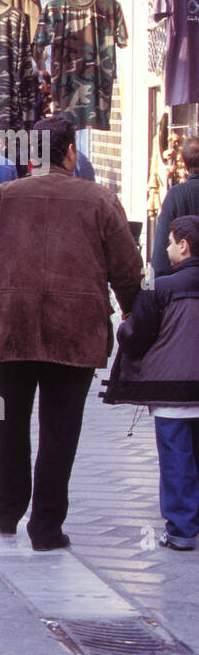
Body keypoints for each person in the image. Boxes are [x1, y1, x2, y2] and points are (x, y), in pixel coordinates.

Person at [0, 115, 142, 552]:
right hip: (75, 334)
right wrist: (130, 312)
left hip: (9, 331)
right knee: (61, 428)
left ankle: (5, 509)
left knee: (5, 418)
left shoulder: (2, 197)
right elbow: (129, 271)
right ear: (71, 152)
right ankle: (47, 527)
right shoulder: (100, 200)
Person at [105, 216, 199, 549]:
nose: (167, 248)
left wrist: (122, 324)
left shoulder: (159, 286)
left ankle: (182, 529)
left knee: (177, 458)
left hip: (171, 390)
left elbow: (135, 337)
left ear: (183, 246)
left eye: (170, 242)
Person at [152, 136, 199, 277]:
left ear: (184, 164)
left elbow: (161, 251)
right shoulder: (177, 195)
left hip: (184, 285)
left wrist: (155, 288)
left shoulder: (176, 195)